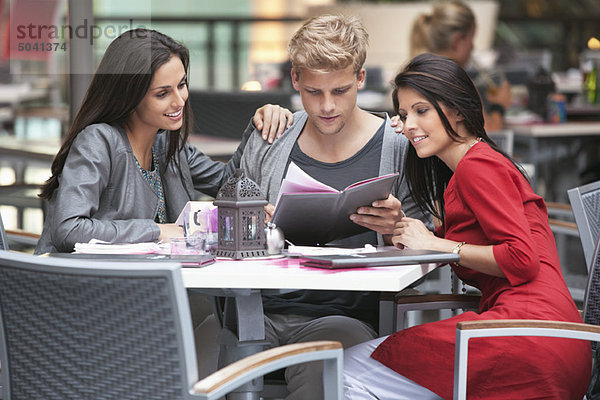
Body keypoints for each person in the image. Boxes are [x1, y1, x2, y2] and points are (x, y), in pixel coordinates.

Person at [194, 14, 429, 399]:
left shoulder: (397, 148)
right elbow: (222, 217)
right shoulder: (270, 137)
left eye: (339, 91)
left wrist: (398, 228)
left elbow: (427, 252)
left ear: (360, 79)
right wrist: (250, 220)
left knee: (324, 376)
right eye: (314, 92)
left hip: (341, 318)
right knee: (192, 366)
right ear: (296, 80)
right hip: (254, 313)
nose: (326, 107)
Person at [343, 53, 591, 400]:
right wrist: (399, 228)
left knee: (344, 372)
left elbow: (521, 259)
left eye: (422, 110)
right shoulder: (474, 167)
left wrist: (436, 243)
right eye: (402, 114)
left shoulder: (478, 167)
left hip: (526, 337)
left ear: (458, 111)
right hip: (557, 339)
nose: (408, 124)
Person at [35, 29, 290, 255]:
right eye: (162, 93)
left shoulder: (168, 145)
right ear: (130, 96)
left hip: (147, 289)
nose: (179, 101)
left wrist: (259, 126)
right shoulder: (98, 141)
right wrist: (157, 231)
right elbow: (68, 229)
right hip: (83, 292)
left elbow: (231, 184)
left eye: (182, 85)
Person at [409, 0, 511, 132]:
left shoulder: (417, 73)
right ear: (457, 41)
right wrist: (499, 106)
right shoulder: (458, 82)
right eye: (471, 38)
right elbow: (488, 135)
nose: (473, 47)